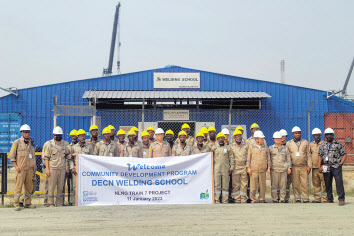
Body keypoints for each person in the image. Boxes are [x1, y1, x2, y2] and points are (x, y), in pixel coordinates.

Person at [43, 126, 73, 207]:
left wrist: (74, 155)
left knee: (61, 187)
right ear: (54, 135)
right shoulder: (48, 144)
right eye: (57, 135)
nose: (58, 136)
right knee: (51, 187)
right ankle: (50, 203)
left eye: (60, 135)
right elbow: (46, 158)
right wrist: (47, 169)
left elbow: (68, 155)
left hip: (62, 168)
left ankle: (59, 203)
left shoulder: (66, 144)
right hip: (52, 168)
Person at [9, 124, 36, 211]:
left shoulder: (31, 143)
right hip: (21, 169)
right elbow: (12, 155)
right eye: (25, 132)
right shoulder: (17, 142)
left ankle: (27, 203)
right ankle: (16, 203)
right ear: (21, 133)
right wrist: (16, 166)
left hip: (30, 169)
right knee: (18, 186)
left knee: (29, 186)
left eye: (28, 132)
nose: (27, 134)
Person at [318, 128, 347, 206]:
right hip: (326, 166)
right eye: (327, 135)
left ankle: (341, 199)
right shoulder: (322, 145)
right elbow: (320, 156)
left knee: (339, 182)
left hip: (336, 166)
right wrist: (319, 166)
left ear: (333, 135)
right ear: (325, 136)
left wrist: (341, 163)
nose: (329, 136)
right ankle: (329, 199)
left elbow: (344, 154)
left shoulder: (338, 144)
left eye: (331, 134)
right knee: (327, 183)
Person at [286, 126, 310, 203]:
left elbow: (309, 155)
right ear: (293, 134)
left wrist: (309, 165)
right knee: (295, 183)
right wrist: (288, 167)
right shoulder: (289, 143)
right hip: (294, 167)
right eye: (296, 133)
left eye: (299, 133)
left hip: (303, 166)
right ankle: (297, 198)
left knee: (305, 183)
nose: (298, 134)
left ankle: (305, 198)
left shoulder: (305, 142)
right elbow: (287, 156)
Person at [71, 129, 94, 205]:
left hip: (86, 170)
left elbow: (92, 158)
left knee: (86, 185)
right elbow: (70, 159)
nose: (83, 138)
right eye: (81, 136)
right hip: (76, 169)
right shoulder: (74, 147)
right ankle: (75, 202)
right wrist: (72, 168)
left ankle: (86, 201)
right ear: (78, 137)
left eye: (84, 136)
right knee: (75, 186)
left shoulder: (89, 147)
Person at [247, 130, 270, 203]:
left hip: (262, 170)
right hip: (254, 170)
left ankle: (262, 199)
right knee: (253, 186)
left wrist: (268, 168)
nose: (262, 140)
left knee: (262, 186)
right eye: (261, 138)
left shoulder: (265, 148)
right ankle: (253, 199)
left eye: (263, 138)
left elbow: (268, 159)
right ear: (256, 139)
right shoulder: (251, 147)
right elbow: (248, 158)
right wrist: (248, 168)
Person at [211, 132, 234, 203]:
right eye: (219, 138)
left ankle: (225, 200)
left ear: (224, 139)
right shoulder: (214, 148)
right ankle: (217, 200)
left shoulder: (228, 148)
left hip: (226, 169)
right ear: (217, 139)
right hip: (216, 169)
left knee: (225, 185)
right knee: (217, 185)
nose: (221, 139)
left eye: (222, 138)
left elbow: (231, 158)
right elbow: (210, 158)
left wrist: (231, 167)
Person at [269, 131, 291, 203]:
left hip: (283, 170)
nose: (277, 140)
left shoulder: (285, 149)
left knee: (283, 186)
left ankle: (282, 199)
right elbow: (268, 159)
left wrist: (289, 167)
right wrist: (268, 168)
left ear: (281, 139)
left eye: (279, 138)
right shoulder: (271, 148)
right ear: (274, 139)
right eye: (276, 139)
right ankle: (275, 199)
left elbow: (288, 158)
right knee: (274, 186)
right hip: (274, 170)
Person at [230, 129, 248, 203]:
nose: (239, 138)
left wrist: (248, 166)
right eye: (237, 136)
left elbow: (248, 156)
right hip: (235, 167)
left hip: (243, 167)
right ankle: (237, 198)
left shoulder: (246, 146)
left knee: (244, 184)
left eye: (240, 136)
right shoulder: (231, 146)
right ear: (234, 137)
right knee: (236, 184)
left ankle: (243, 198)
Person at [309, 128, 326, 203]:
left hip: (323, 166)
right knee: (316, 183)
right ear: (313, 136)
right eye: (315, 135)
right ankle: (317, 198)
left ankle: (325, 198)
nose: (317, 136)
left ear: (320, 135)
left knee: (324, 182)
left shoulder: (324, 144)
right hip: (314, 167)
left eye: (318, 135)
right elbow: (309, 155)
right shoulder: (311, 145)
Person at [279, 128, 291, 202]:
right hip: (279, 167)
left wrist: (289, 167)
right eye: (281, 136)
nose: (282, 138)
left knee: (287, 183)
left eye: (284, 136)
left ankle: (286, 197)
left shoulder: (289, 145)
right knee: (279, 183)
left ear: (286, 136)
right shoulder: (276, 145)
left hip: (287, 167)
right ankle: (278, 197)